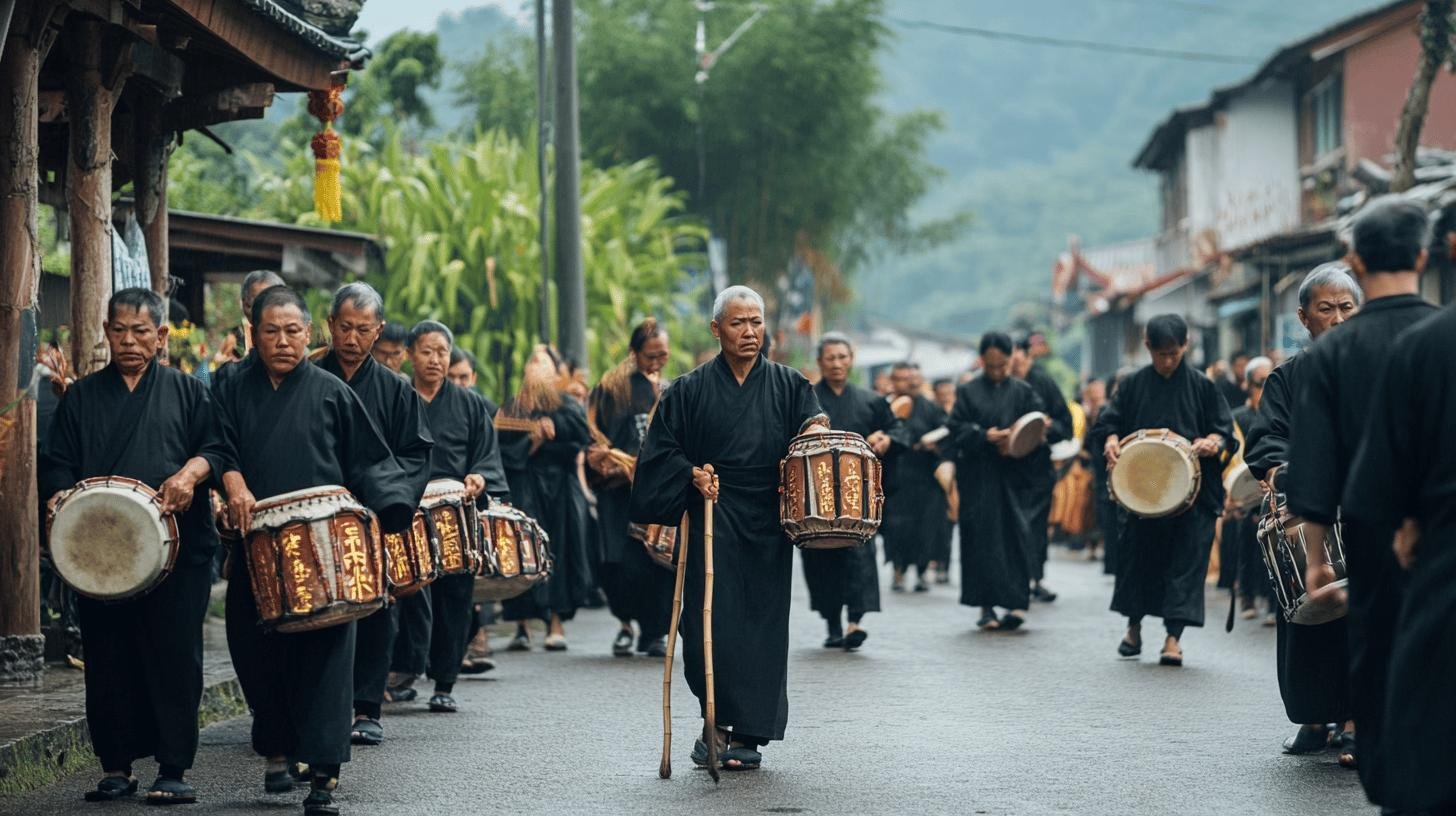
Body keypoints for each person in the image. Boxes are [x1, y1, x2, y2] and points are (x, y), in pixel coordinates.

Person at [215, 285, 416, 815]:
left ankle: (323, 776)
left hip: (324, 552)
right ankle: (278, 748)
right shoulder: (229, 386)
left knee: (328, 660)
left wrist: (390, 513)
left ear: (309, 333)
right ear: (252, 335)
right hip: (257, 549)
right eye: (270, 331)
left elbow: (371, 460)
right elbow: (215, 445)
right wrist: (231, 486)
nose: (282, 341)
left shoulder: (331, 392)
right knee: (255, 651)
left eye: (292, 331)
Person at [42, 289, 230, 805]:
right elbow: (57, 461)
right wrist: (59, 494)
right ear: (106, 332)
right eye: (119, 330)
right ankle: (117, 766)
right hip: (103, 555)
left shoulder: (189, 392)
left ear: (161, 335)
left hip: (177, 552)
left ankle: (174, 767)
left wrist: (190, 475)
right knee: (108, 659)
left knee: (174, 657)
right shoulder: (81, 398)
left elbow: (215, 449)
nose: (129, 341)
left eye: (140, 331)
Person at [629, 285, 823, 771]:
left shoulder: (789, 384)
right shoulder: (688, 389)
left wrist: (818, 432)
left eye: (756, 322)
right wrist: (689, 474)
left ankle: (747, 737)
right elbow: (659, 455)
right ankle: (713, 721)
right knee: (703, 626)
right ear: (717, 329)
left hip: (767, 522)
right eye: (738, 323)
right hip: (711, 517)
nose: (749, 332)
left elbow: (814, 428)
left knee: (760, 627)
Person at [1287, 197, 1439, 808]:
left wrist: (1318, 555)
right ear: (1424, 257)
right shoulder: (1442, 335)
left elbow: (1316, 464)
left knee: (1380, 647)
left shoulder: (1330, 355)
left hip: (1370, 529)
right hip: (1443, 527)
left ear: (1355, 259)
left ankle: (1388, 768)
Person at [1343, 301, 1456, 816]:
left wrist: (1406, 525)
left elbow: (1380, 481)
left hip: (1443, 559)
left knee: (1427, 707)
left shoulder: (1424, 345)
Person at [1244, 262, 1361, 760]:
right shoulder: (1286, 380)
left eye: (1347, 307)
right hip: (1311, 516)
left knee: (1364, 621)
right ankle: (1314, 719)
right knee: (1310, 621)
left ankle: (1357, 721)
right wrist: (1280, 470)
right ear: (1304, 318)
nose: (1337, 318)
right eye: (1326, 308)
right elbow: (1266, 439)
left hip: (1364, 511)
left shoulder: (1383, 369)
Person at [313, 284, 434, 746]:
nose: (352, 338)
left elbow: (415, 453)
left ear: (379, 331)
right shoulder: (309, 377)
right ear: (330, 325)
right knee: (320, 608)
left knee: (376, 608)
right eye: (345, 327)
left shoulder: (394, 391)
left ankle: (367, 706)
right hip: (318, 514)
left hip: (371, 519)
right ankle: (320, 705)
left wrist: (387, 499)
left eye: (364, 330)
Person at [1092, 314, 1233, 667]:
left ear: (1185, 345)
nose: (1168, 361)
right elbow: (1108, 420)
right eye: (1161, 354)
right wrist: (1110, 439)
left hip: (1191, 493)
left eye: (1174, 353)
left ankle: (1173, 638)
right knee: (1139, 561)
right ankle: (1134, 627)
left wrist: (1212, 442)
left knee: (1186, 563)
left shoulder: (1203, 386)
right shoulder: (1133, 384)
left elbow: (1225, 431)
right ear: (1147, 347)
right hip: (1144, 491)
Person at [397, 321, 507, 713]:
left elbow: (485, 455)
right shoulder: (396, 398)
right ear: (410, 354)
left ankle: (445, 680)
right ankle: (404, 670)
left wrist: (480, 477)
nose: (435, 360)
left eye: (442, 352)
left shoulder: (468, 403)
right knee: (406, 593)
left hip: (454, 514)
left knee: (455, 596)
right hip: (405, 512)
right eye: (427, 351)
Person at [802, 334, 904, 649]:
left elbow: (897, 429)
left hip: (856, 496)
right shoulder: (806, 398)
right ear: (820, 362)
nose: (836, 363)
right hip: (817, 497)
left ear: (851, 359)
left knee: (860, 557)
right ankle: (833, 623)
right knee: (822, 560)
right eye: (830, 358)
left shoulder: (871, 400)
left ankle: (854, 622)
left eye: (842, 357)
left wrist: (886, 439)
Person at [499, 345, 595, 651]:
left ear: (555, 373)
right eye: (533, 361)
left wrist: (554, 433)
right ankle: (521, 625)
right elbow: (502, 451)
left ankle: (556, 623)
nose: (537, 368)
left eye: (544, 363)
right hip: (526, 484)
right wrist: (533, 441)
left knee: (562, 549)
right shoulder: (514, 408)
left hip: (561, 488)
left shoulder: (566, 404)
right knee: (522, 548)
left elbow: (579, 440)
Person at [588, 320, 675, 658]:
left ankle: (654, 632)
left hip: (655, 495)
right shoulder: (613, 389)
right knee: (616, 563)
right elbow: (593, 435)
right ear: (633, 354)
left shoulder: (670, 389)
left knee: (657, 562)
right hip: (617, 493)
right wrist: (600, 460)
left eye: (662, 355)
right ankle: (625, 622)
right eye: (650, 355)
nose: (656, 362)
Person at [947, 332, 1041, 631]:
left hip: (1015, 476)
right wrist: (983, 435)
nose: (998, 371)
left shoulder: (1024, 391)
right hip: (979, 477)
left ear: (1011, 358)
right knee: (980, 539)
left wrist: (1018, 439)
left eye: (1003, 365)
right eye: (991, 366)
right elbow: (955, 428)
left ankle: (1016, 603)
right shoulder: (968, 391)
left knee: (1018, 537)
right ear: (982, 361)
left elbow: (1040, 427)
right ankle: (986, 607)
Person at [1011, 336, 1073, 602]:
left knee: (1035, 527)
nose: (1012, 367)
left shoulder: (1044, 383)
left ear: (1028, 357)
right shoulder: (1001, 385)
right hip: (1006, 469)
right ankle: (1013, 580)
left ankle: (1036, 579)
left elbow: (1065, 424)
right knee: (1011, 527)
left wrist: (1046, 429)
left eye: (1017, 360)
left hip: (1037, 468)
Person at [881, 362, 948, 592]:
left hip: (924, 478)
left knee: (924, 528)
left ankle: (921, 572)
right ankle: (898, 571)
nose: (906, 383)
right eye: (899, 379)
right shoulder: (884, 406)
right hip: (896, 478)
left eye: (909, 379)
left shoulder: (930, 408)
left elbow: (945, 434)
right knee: (897, 527)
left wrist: (934, 446)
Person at [1225, 356, 1275, 623]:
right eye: (1260, 383)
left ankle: (1271, 600)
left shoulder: (1278, 414)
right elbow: (1232, 459)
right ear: (1248, 385)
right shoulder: (1237, 418)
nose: (1265, 389)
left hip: (1273, 489)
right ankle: (1246, 595)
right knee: (1246, 539)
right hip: (1246, 493)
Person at [210, 270, 285, 389]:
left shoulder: (296, 349)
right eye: (259, 303)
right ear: (246, 306)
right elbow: (205, 378)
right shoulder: (234, 338)